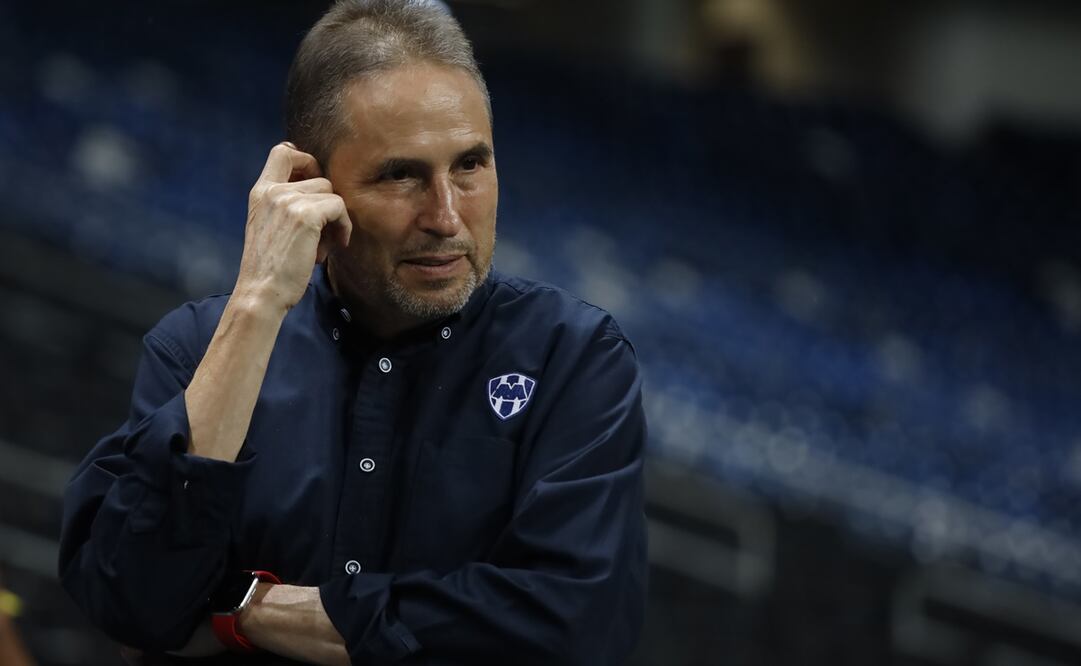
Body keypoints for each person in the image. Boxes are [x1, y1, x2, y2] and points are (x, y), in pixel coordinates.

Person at [58, 1, 647, 664]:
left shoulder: (573, 356)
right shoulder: (196, 349)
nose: (446, 216)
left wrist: (244, 604)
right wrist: (255, 307)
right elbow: (133, 598)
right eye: (401, 175)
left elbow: (570, 630)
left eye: (470, 165)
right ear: (312, 187)